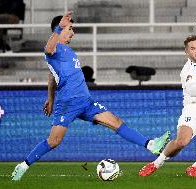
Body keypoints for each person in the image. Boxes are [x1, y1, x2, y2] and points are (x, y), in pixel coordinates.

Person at [11, 12, 170, 181]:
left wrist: (50, 98)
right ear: (61, 28)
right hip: (68, 103)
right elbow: (48, 49)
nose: (73, 32)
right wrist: (59, 28)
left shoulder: (69, 52)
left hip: (86, 101)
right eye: (70, 28)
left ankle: (151, 145)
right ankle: (23, 166)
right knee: (54, 141)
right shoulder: (54, 49)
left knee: (116, 122)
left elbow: (51, 78)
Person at [138, 22, 196, 178]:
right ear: (186, 52)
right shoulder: (187, 71)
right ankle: (156, 163)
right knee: (181, 143)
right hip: (193, 109)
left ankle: (194, 167)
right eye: (192, 48)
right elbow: (192, 90)